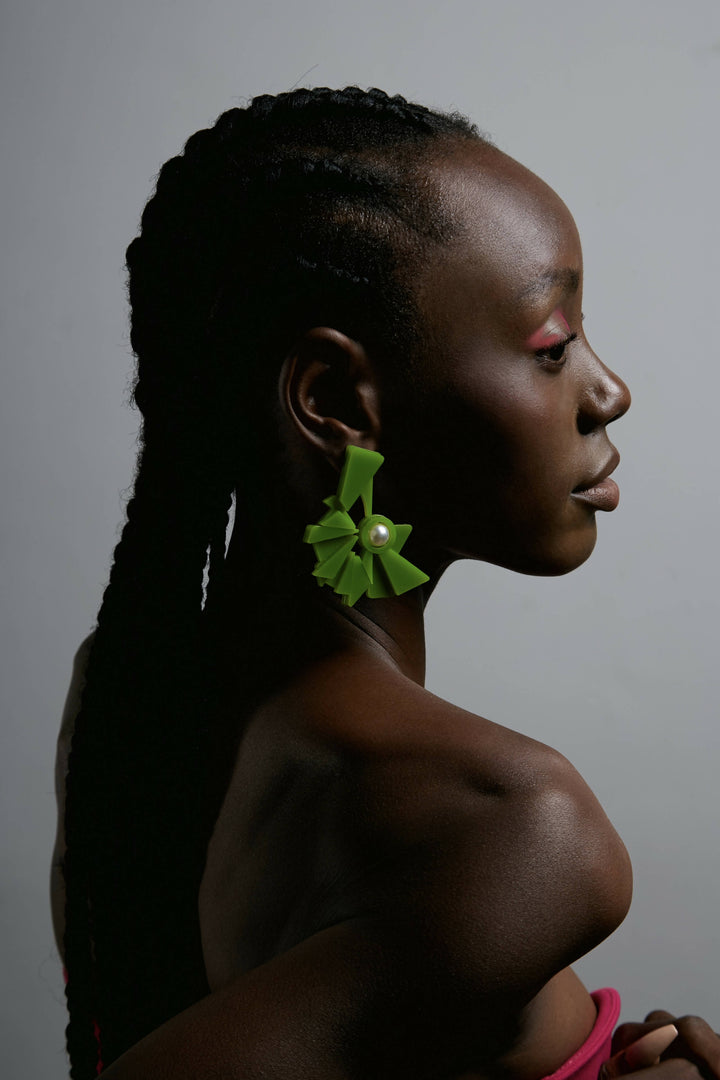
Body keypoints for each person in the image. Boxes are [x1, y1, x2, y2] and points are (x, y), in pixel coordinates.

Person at [51, 86, 719, 1080]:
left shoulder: (130, 693)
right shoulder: (515, 824)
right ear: (334, 404)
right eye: (551, 344)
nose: (607, 390)